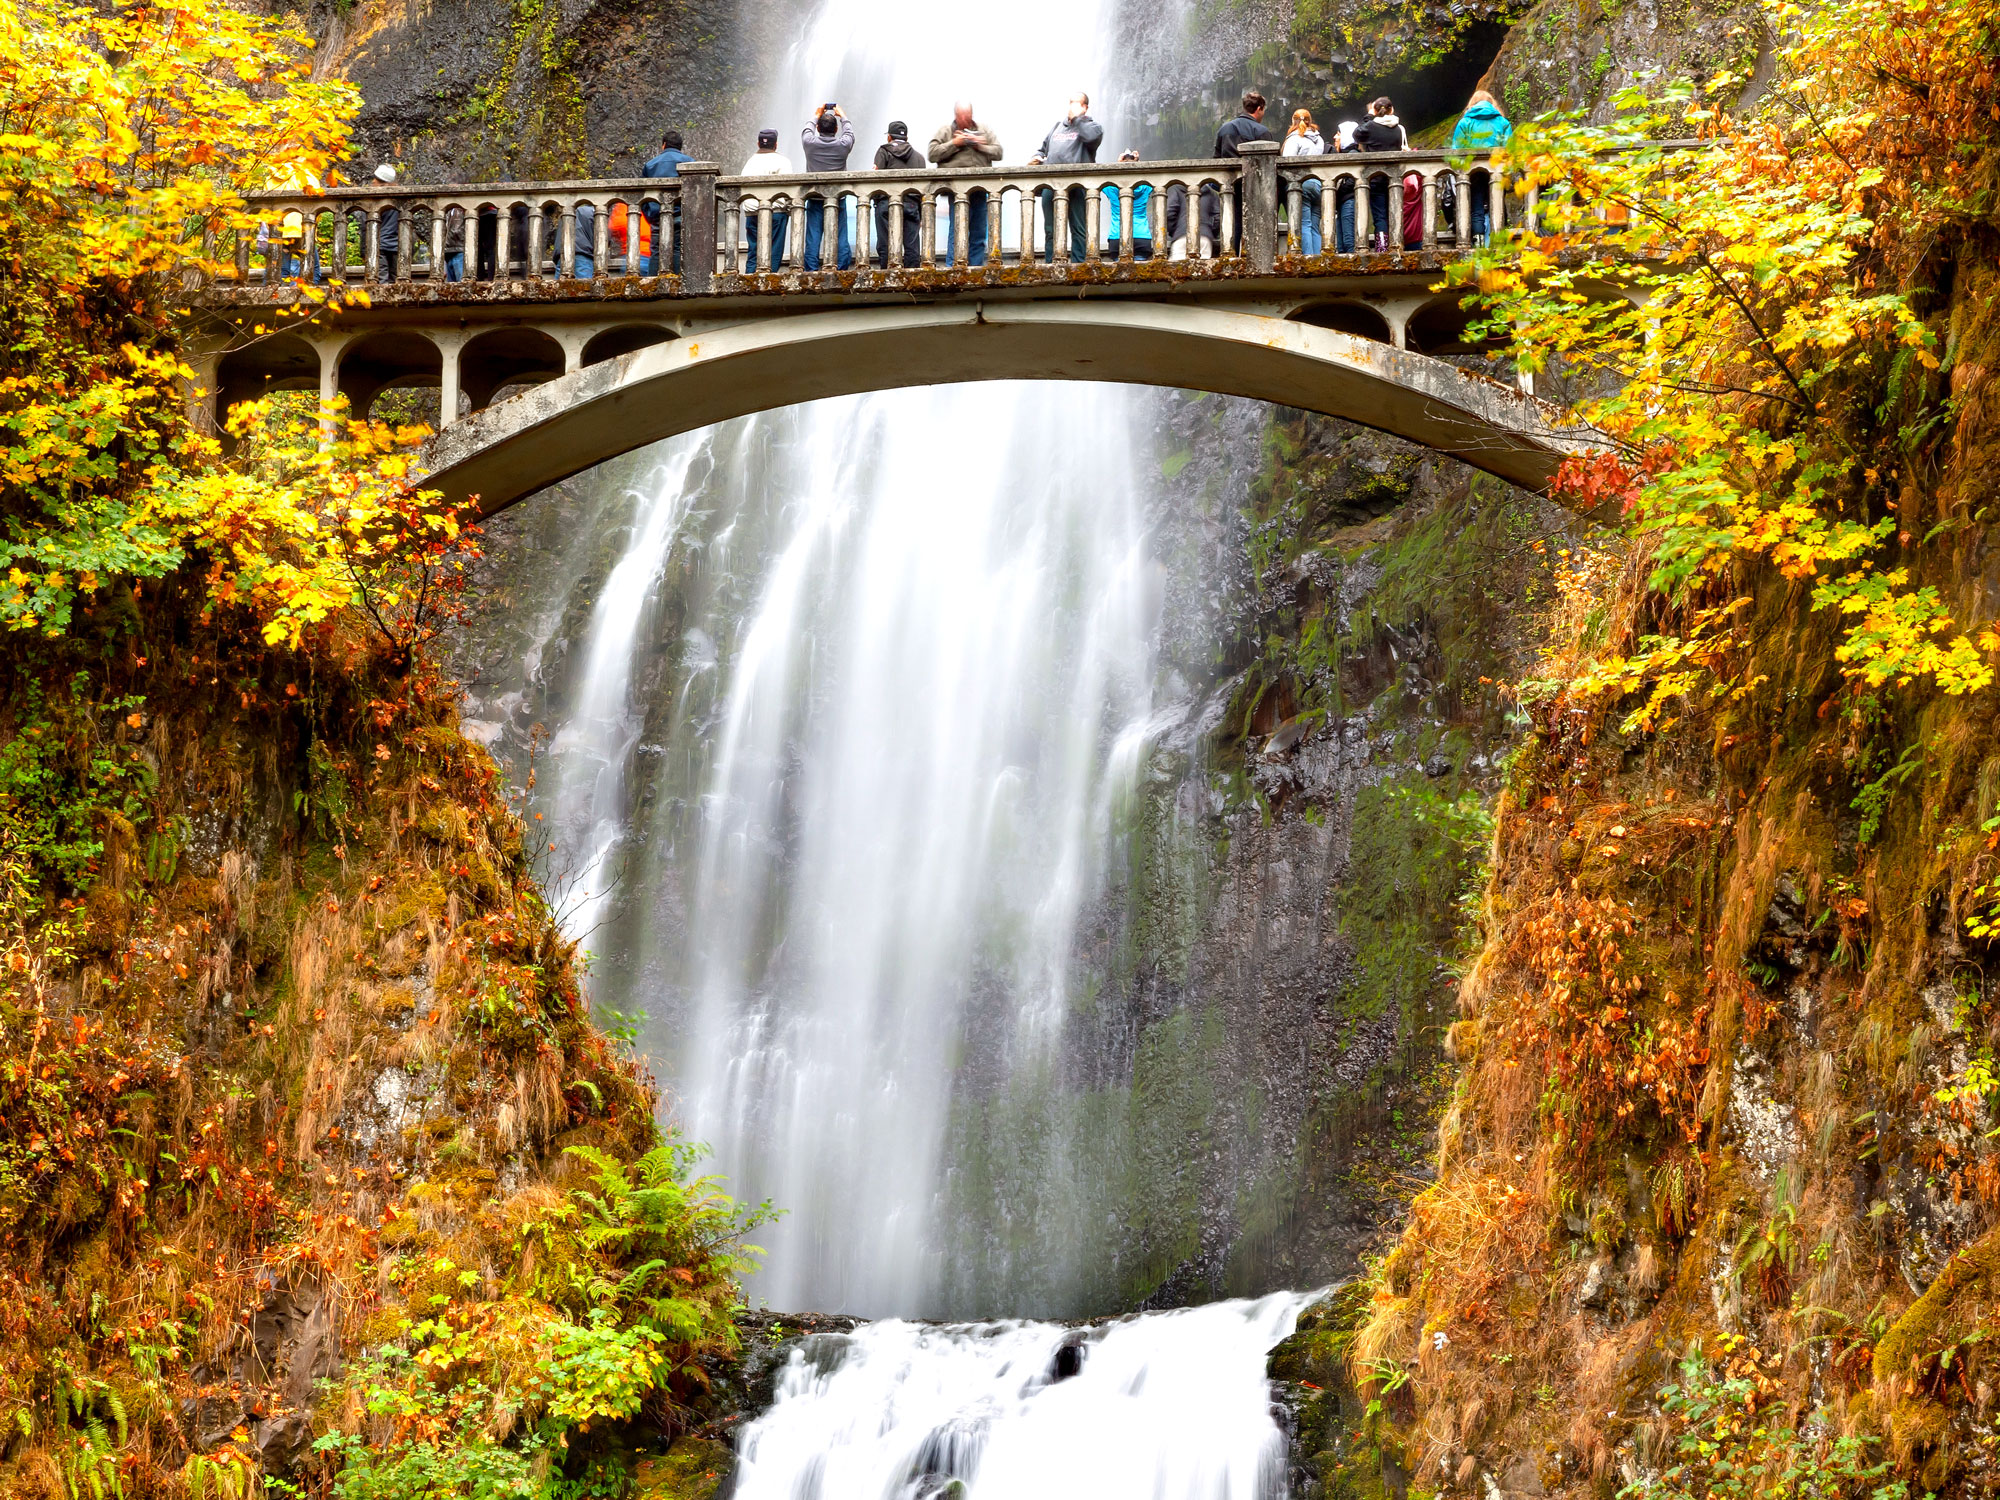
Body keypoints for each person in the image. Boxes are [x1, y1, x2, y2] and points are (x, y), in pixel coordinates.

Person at [1027, 91, 1102, 263]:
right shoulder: (1056, 127)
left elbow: (1091, 138)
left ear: (1085, 107)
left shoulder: (1093, 127)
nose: (1071, 106)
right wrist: (1037, 157)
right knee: (1050, 230)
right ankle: (1051, 263)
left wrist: (1077, 120)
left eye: (1076, 103)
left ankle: (1078, 264)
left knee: (1079, 229)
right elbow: (1043, 148)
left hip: (1077, 185)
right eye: (1070, 102)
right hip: (1050, 185)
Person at [927, 104, 1002, 267]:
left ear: (972, 114)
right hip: (956, 190)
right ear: (956, 115)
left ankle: (975, 267)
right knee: (957, 230)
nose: (965, 121)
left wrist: (978, 145)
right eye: (962, 117)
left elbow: (999, 152)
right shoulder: (945, 131)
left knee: (979, 232)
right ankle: (953, 266)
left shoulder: (984, 130)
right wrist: (955, 143)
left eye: (968, 117)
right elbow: (932, 154)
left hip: (980, 189)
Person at [1202, 89, 1274, 255]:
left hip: (1229, 186)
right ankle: (1255, 256)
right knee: (1256, 222)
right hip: (1254, 187)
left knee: (1232, 222)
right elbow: (1270, 165)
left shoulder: (1225, 128)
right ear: (1259, 109)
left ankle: (1231, 254)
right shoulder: (1261, 131)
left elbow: (1216, 160)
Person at [1450, 89, 1512, 245]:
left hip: (1474, 172)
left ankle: (1478, 242)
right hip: (1496, 170)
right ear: (1492, 104)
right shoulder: (1503, 123)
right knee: (1496, 205)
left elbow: (1457, 149)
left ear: (1473, 104)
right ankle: (1495, 242)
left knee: (1476, 207)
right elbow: (1509, 149)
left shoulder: (1465, 122)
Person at [800, 104, 855, 271]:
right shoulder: (843, 145)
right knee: (841, 236)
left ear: (818, 128)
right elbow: (849, 133)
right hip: (838, 198)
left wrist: (817, 113)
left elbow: (807, 129)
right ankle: (842, 269)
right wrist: (843, 115)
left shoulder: (809, 143)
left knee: (813, 238)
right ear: (836, 129)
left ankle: (811, 271)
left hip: (815, 198)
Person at [1353, 97, 1407, 250]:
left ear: (1375, 111)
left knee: (1380, 216)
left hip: (1376, 178)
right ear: (1392, 110)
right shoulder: (1399, 129)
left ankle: (1382, 248)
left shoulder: (1370, 126)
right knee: (1395, 213)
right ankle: (1396, 245)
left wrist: (1369, 116)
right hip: (1395, 178)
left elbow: (1356, 135)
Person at [872, 120, 925, 267]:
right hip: (912, 205)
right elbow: (922, 189)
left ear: (889, 137)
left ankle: (887, 277)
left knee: (885, 245)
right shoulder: (919, 158)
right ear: (906, 138)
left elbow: (876, 180)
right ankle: (912, 280)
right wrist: (920, 212)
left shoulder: (883, 152)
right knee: (912, 247)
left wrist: (877, 202)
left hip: (886, 205)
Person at [740, 127, 794, 270]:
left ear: (758, 143)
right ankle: (771, 278)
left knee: (754, 251)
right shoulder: (783, 162)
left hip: (752, 214)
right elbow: (788, 190)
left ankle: (749, 281)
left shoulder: (749, 163)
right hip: (776, 213)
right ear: (776, 144)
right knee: (774, 251)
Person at [641, 128, 693, 272]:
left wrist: (650, 215)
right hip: (680, 215)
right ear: (680, 146)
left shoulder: (650, 165)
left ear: (664, 145)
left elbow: (643, 195)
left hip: (657, 215)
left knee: (657, 250)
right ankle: (676, 279)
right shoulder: (690, 163)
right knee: (678, 248)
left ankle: (652, 282)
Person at [1281, 108, 1325, 255]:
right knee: (1314, 225)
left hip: (1302, 185)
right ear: (1309, 120)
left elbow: (1287, 163)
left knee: (1304, 224)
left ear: (1292, 121)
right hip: (1318, 185)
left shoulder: (1293, 139)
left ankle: (1308, 257)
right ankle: (1318, 258)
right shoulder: (1319, 139)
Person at [1101, 148, 1153, 258]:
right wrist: (1137, 164)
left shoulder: (1111, 188)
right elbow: (1151, 178)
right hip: (1141, 236)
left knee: (1120, 274)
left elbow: (1102, 179)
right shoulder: (1145, 186)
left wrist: (1118, 165)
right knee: (1140, 274)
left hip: (1117, 236)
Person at [1332, 119, 1360, 253]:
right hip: (1342, 202)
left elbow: (1352, 181)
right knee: (1341, 244)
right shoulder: (1343, 155)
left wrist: (1336, 192)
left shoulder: (1353, 155)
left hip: (1349, 200)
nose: (1335, 137)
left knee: (1349, 240)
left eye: (1339, 134)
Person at [373, 164, 402, 280]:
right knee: (397, 281)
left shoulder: (375, 200)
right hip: (397, 245)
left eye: (375, 179)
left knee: (381, 281)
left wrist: (364, 250)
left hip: (381, 245)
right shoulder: (400, 198)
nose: (372, 182)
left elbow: (366, 226)